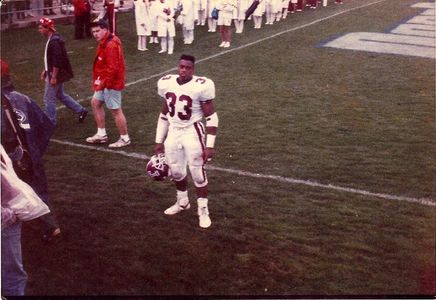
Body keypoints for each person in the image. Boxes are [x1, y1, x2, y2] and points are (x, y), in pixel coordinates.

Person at [154, 54, 219, 228]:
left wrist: (209, 145)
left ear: (193, 69)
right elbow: (164, 114)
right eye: (181, 66)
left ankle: (203, 209)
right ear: (178, 66)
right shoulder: (167, 83)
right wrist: (159, 140)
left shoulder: (201, 86)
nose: (183, 70)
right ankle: (182, 202)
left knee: (197, 172)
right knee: (176, 170)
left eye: (187, 67)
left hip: (192, 131)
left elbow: (212, 117)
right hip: (174, 131)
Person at [1, 59, 60, 243]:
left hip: (13, 158)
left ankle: (47, 225)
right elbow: (46, 125)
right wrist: (35, 150)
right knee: (38, 188)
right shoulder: (22, 98)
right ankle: (51, 225)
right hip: (30, 155)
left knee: (18, 190)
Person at [86, 19, 131, 148]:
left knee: (116, 110)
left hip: (111, 83)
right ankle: (101, 134)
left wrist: (104, 84)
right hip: (104, 82)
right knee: (95, 103)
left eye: (98, 31)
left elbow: (113, 68)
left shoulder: (110, 45)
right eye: (93, 31)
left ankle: (125, 138)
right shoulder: (105, 41)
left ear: (105, 30)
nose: (95, 34)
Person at [38, 18, 88, 125]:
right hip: (52, 72)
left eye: (41, 28)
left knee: (48, 98)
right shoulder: (53, 38)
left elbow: (57, 60)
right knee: (60, 95)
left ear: (48, 28)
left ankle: (50, 122)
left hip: (55, 74)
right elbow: (50, 58)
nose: (39, 30)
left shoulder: (54, 41)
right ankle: (81, 110)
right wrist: (45, 70)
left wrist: (54, 76)